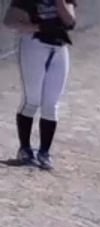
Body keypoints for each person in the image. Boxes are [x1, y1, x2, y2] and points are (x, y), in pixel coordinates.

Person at [6, 0, 75, 170]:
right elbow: (9, 20)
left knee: (51, 104)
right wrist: (37, 27)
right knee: (32, 100)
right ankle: (25, 149)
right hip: (34, 44)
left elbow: (70, 22)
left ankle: (44, 152)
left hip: (59, 47)